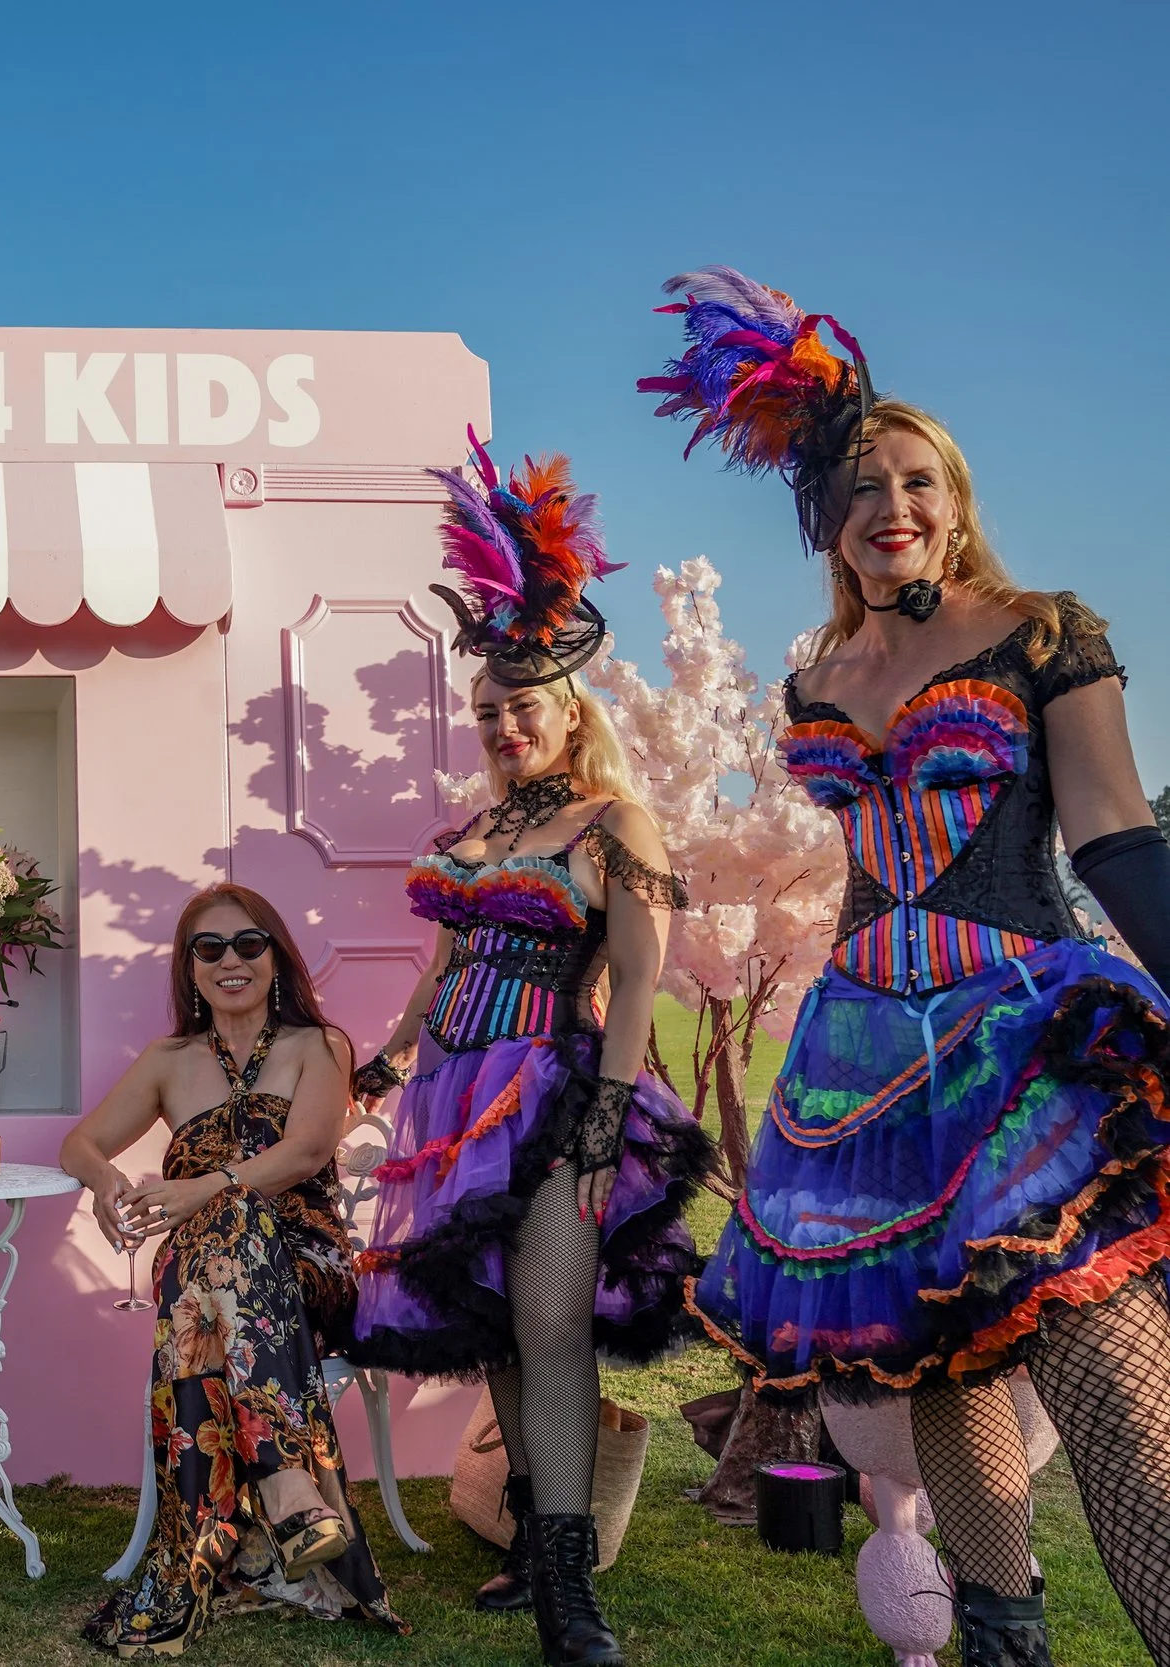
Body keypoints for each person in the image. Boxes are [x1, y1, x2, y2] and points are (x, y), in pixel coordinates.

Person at [648, 266, 1170, 1666]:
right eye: (863, 485)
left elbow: (1115, 833)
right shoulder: (814, 677)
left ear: (958, 492)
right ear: (821, 516)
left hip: (1025, 1031)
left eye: (919, 478)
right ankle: (1006, 1644)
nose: (896, 506)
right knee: (937, 1360)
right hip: (866, 1053)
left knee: (1122, 1398)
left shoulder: (1046, 630)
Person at [347, 435, 707, 1667]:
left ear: (570, 709)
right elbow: (444, 963)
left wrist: (609, 1112)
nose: (504, 725)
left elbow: (645, 968)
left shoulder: (613, 819)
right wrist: (391, 1053)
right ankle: (527, 1542)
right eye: (489, 711)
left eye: (524, 707)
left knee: (550, 1314)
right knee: (492, 1317)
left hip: (554, 1078)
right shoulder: (475, 829)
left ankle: (572, 1593)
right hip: (453, 1090)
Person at [66, 883, 406, 1658]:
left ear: (275, 956)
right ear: (189, 969)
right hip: (206, 1281)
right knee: (213, 1249)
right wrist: (104, 1182)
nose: (231, 960)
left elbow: (308, 1152)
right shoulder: (167, 1060)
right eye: (210, 947)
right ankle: (288, 1490)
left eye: (249, 944)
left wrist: (203, 1187)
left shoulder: (320, 1044)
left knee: (233, 1214)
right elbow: (79, 1143)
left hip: (307, 1263)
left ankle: (268, 1497)